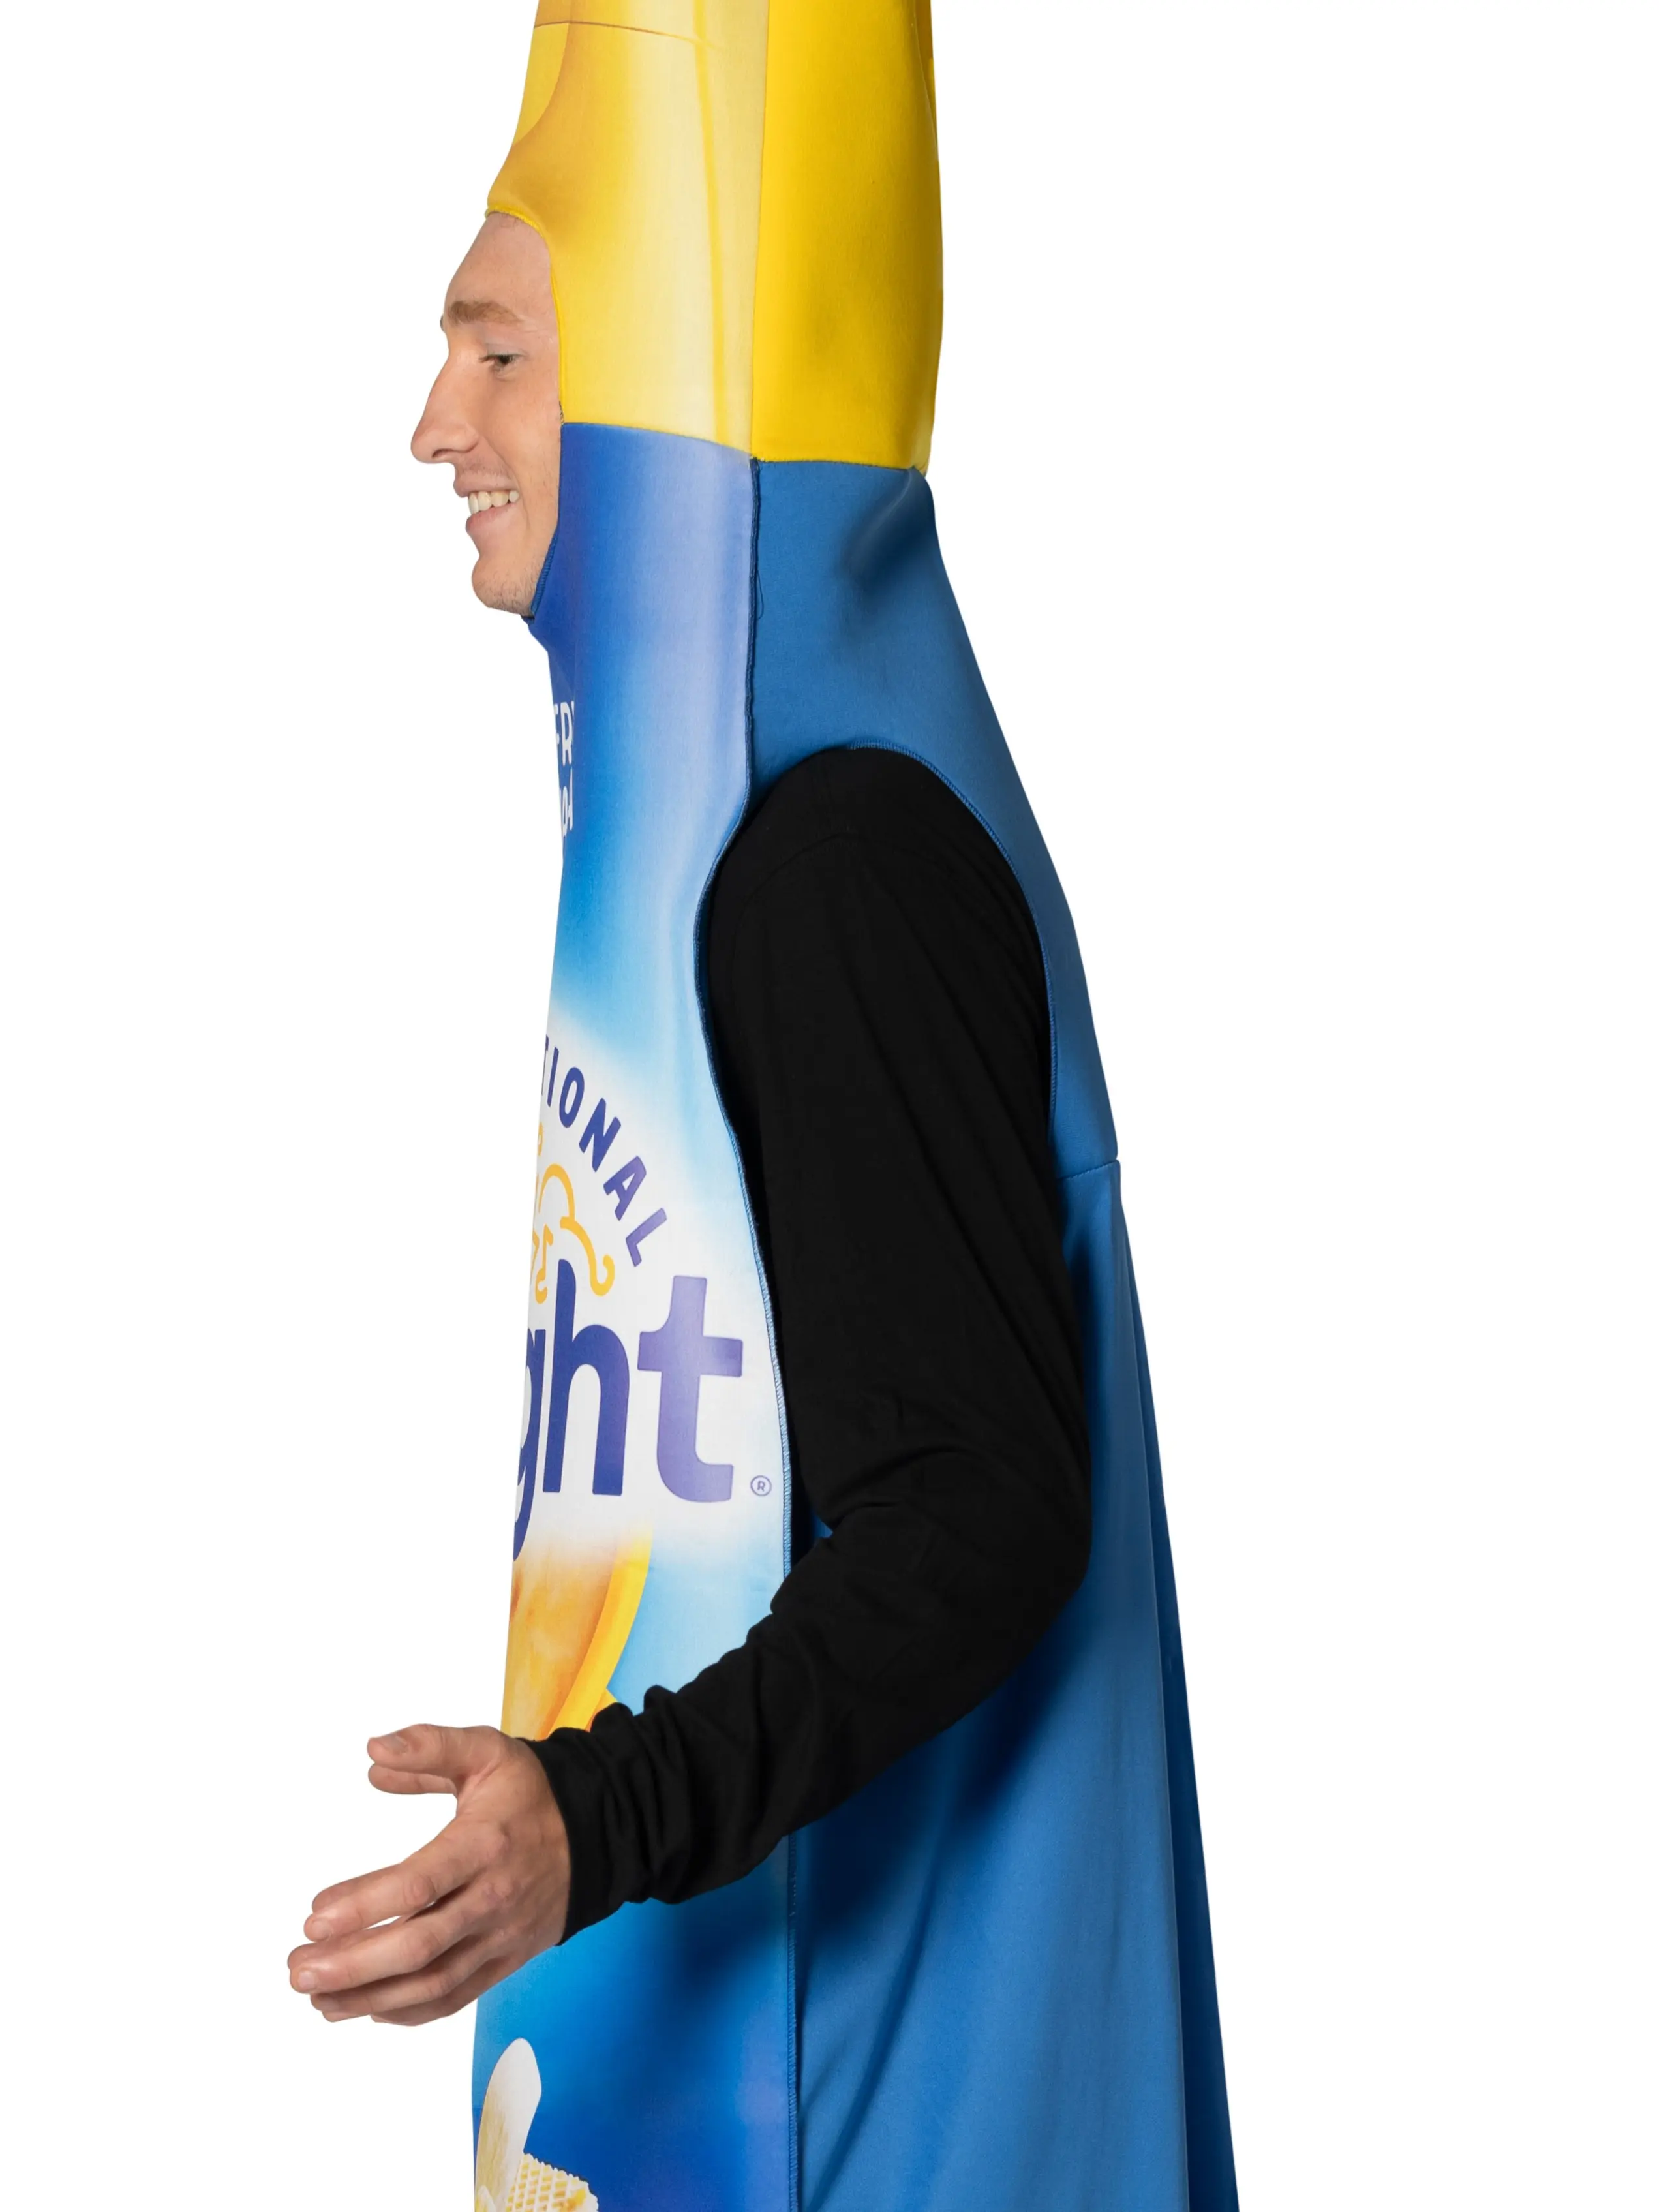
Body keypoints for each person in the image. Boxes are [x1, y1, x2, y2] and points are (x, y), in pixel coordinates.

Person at [290, 8, 1236, 2209]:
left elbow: (977, 1504)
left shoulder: (832, 856)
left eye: (501, 353)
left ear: (659, 401)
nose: (436, 422)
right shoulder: (779, 817)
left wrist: (598, 1811)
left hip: (887, 2107)